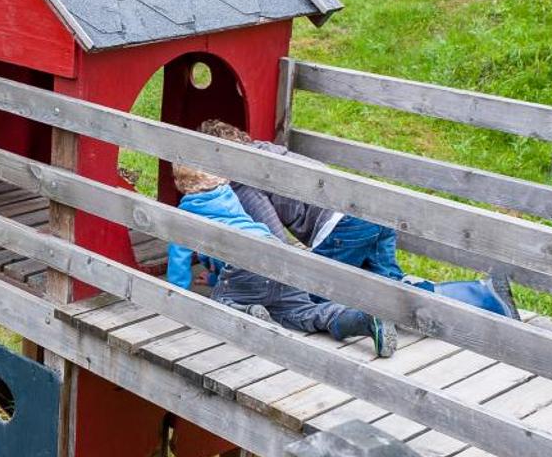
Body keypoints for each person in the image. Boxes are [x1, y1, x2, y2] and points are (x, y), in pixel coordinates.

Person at [194, 118, 519, 318]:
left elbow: (274, 245)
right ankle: (483, 296)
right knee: (390, 290)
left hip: (343, 226)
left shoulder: (243, 178)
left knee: (305, 296)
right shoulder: (269, 151)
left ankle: (368, 321)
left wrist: (229, 280)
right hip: (373, 209)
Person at [165, 163, 396, 358]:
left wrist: (174, 296)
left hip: (242, 261)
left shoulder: (185, 214)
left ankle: (248, 312)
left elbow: (179, 262)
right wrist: (217, 277)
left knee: (220, 300)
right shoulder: (230, 197)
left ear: (178, 183)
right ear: (221, 177)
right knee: (300, 312)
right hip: (277, 255)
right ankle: (361, 320)